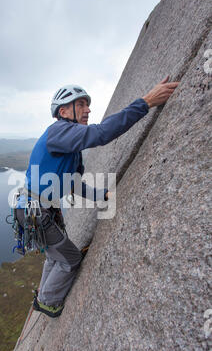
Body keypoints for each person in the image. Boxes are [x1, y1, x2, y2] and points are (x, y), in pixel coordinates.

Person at [14, 76, 179, 318]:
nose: (88, 109)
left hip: (35, 210)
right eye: (80, 104)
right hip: (37, 210)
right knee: (70, 259)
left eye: (87, 104)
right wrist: (146, 102)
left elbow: (74, 186)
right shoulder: (59, 131)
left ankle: (44, 294)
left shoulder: (69, 150)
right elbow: (101, 134)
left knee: (54, 253)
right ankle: (48, 302)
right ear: (63, 110)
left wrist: (102, 195)